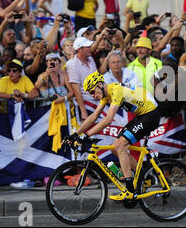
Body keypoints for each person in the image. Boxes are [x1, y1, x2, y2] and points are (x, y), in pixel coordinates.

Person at [66, 71, 161, 201]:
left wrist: (86, 135)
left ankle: (129, 189)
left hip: (150, 114)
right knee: (114, 148)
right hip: (142, 115)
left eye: (93, 91)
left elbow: (108, 119)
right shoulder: (106, 95)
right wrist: (75, 134)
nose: (93, 96)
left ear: (100, 84)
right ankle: (143, 177)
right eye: (90, 94)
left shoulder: (116, 90)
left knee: (120, 145)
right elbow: (93, 116)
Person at [66, 36, 98, 122]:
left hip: (97, 101)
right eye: (87, 47)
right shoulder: (72, 64)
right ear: (80, 49)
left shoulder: (91, 59)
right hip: (86, 103)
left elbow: (97, 80)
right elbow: (76, 90)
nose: (90, 48)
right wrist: (83, 111)